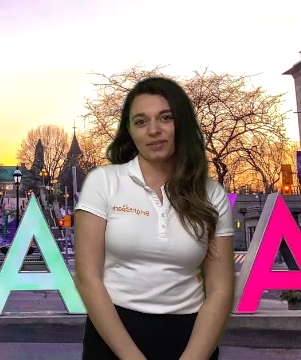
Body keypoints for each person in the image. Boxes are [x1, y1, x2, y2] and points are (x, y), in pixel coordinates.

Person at [74, 77, 235, 360]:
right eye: (140, 121)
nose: (154, 131)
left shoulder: (211, 194)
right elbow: (88, 278)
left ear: (181, 124)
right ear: (130, 131)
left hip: (191, 336)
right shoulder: (104, 182)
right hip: (114, 336)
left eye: (166, 118)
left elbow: (220, 288)